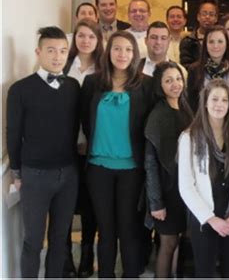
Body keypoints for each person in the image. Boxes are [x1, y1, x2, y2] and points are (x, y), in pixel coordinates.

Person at [7, 26, 80, 278]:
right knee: (33, 241)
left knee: (60, 240)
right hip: (35, 175)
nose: (57, 56)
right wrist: (16, 172)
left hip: (69, 174)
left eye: (62, 51)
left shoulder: (73, 86)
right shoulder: (20, 89)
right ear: (38, 52)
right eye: (51, 50)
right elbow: (13, 134)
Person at [81, 30, 153, 277]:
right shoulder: (92, 83)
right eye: (117, 48)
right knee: (106, 229)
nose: (122, 54)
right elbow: (84, 121)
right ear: (108, 52)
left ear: (135, 54)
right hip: (98, 169)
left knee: (128, 228)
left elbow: (149, 127)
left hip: (132, 170)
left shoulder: (145, 84)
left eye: (128, 49)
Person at [178, 79, 229, 277]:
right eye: (214, 99)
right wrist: (211, 219)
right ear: (205, 102)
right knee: (204, 273)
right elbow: (186, 186)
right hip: (205, 218)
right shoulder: (189, 137)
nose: (219, 104)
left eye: (224, 100)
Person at [62, 18, 104, 278]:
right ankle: (64, 252)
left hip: (94, 145)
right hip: (63, 145)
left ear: (98, 40)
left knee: (90, 202)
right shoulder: (64, 65)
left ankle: (88, 249)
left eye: (91, 36)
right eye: (81, 36)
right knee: (65, 201)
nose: (85, 40)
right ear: (74, 39)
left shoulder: (104, 70)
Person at [144, 61, 193, 277]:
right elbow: (151, 163)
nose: (175, 84)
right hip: (166, 190)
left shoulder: (185, 108)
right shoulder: (158, 114)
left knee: (177, 242)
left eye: (178, 79)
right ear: (160, 85)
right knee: (168, 244)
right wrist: (156, 202)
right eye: (169, 80)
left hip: (183, 188)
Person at [186, 25, 229, 113]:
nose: (215, 46)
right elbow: (192, 104)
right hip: (202, 121)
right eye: (211, 42)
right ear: (205, 44)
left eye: (220, 41)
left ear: (226, 44)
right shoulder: (194, 69)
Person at [180, 0, 219, 68]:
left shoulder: (222, 41)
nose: (207, 17)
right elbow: (186, 67)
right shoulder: (188, 41)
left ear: (216, 18)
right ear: (198, 17)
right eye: (204, 14)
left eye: (211, 14)